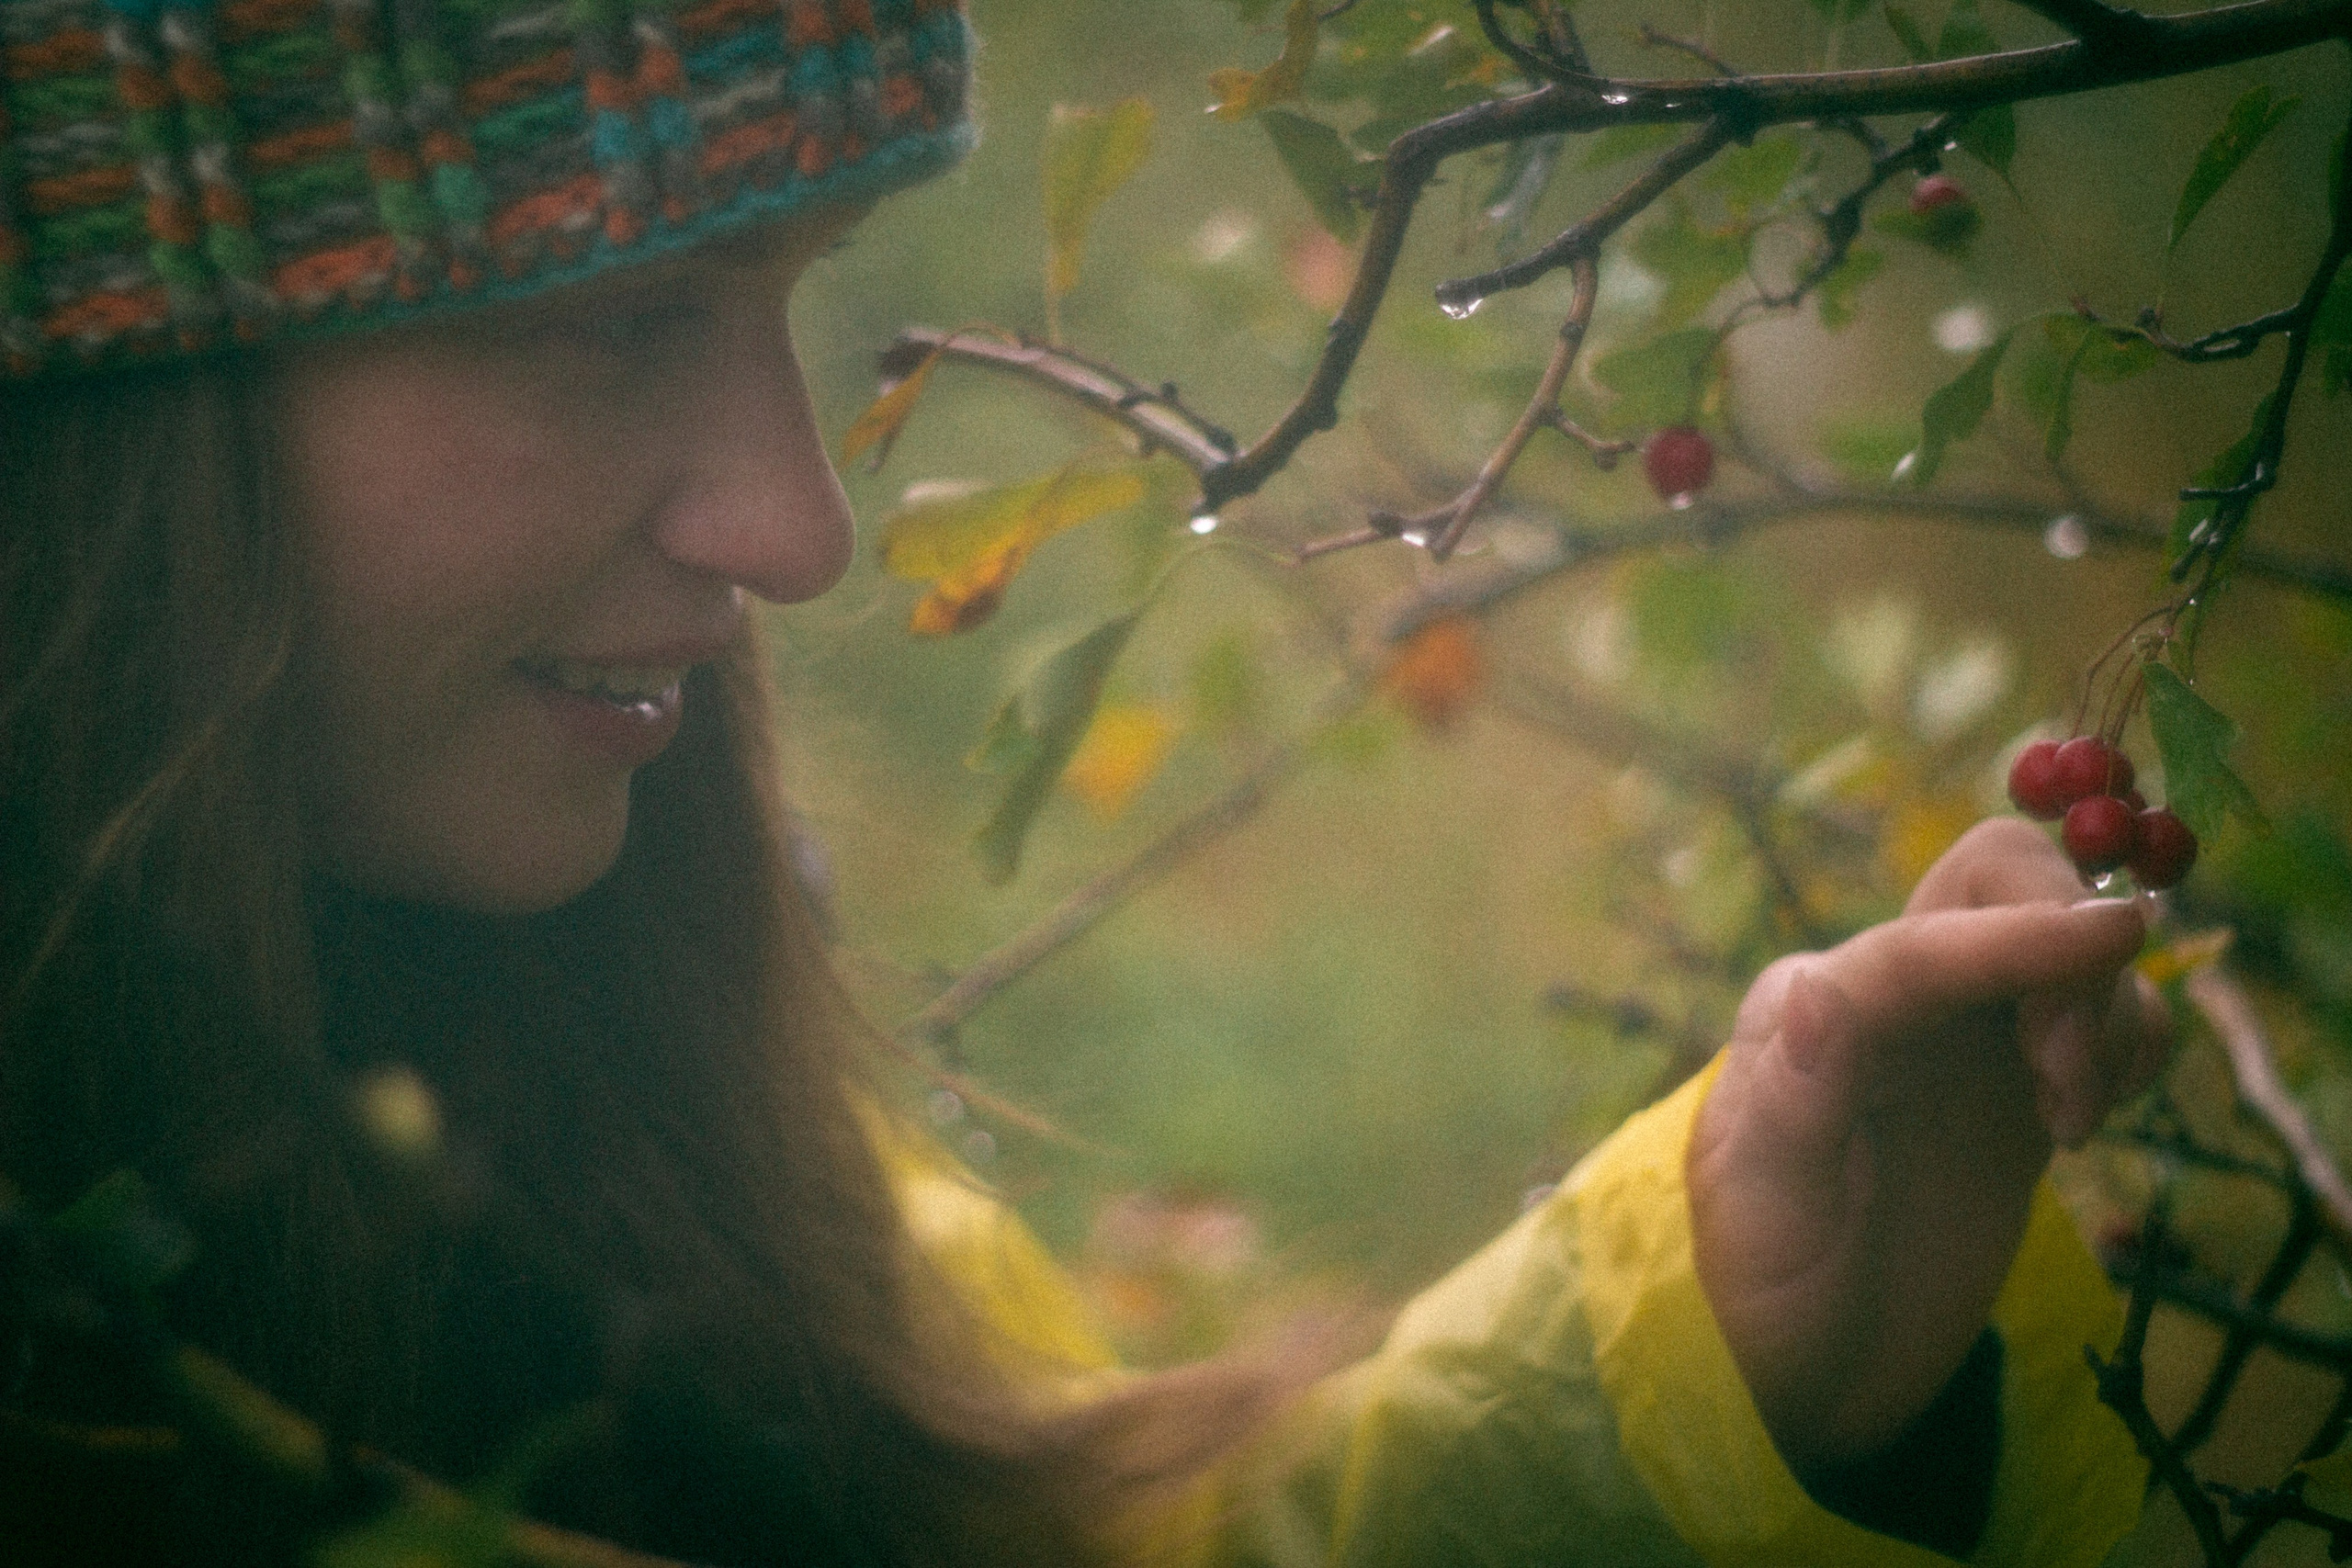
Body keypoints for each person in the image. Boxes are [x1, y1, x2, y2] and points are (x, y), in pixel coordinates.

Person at [0, 0, 2170, 1562]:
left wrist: (1724, 1358)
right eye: (604, 325)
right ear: (101, 412)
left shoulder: (598, 1086)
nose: (794, 530)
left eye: (787, 307)